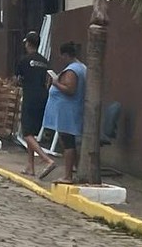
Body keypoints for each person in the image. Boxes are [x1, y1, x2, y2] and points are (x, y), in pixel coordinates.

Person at [39, 41, 86, 183]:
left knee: (68, 143)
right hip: (68, 111)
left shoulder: (73, 70)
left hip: (67, 112)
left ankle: (68, 176)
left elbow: (70, 90)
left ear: (66, 55)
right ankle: (77, 170)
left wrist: (55, 83)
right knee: (66, 141)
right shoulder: (81, 67)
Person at [14, 31, 54, 176]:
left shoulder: (24, 60)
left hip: (30, 96)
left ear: (28, 44)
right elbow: (48, 80)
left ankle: (46, 160)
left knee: (26, 134)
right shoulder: (44, 61)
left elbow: (17, 79)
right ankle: (30, 166)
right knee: (32, 133)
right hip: (43, 97)